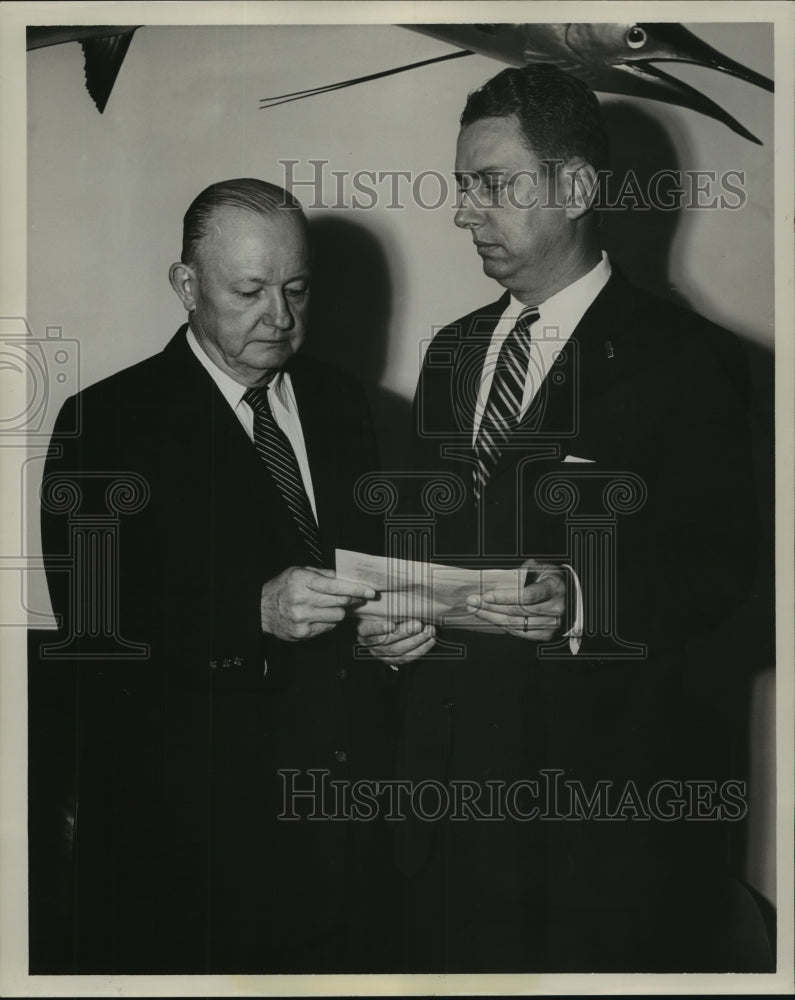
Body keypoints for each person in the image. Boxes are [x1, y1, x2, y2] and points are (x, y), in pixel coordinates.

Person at [358, 65, 771, 972]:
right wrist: (392, 618)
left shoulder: (689, 358)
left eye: (492, 185)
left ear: (575, 187)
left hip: (592, 840)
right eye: (463, 186)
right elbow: (426, 545)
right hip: (439, 821)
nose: (465, 211)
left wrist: (583, 599)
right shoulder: (452, 352)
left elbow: (728, 574)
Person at [31, 178, 398, 974]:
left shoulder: (345, 405)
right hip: (190, 853)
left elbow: (366, 574)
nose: (280, 316)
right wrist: (249, 611)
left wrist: (394, 629)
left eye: (297, 289)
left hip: (343, 835)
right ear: (185, 285)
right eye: (249, 290)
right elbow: (93, 626)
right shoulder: (107, 421)